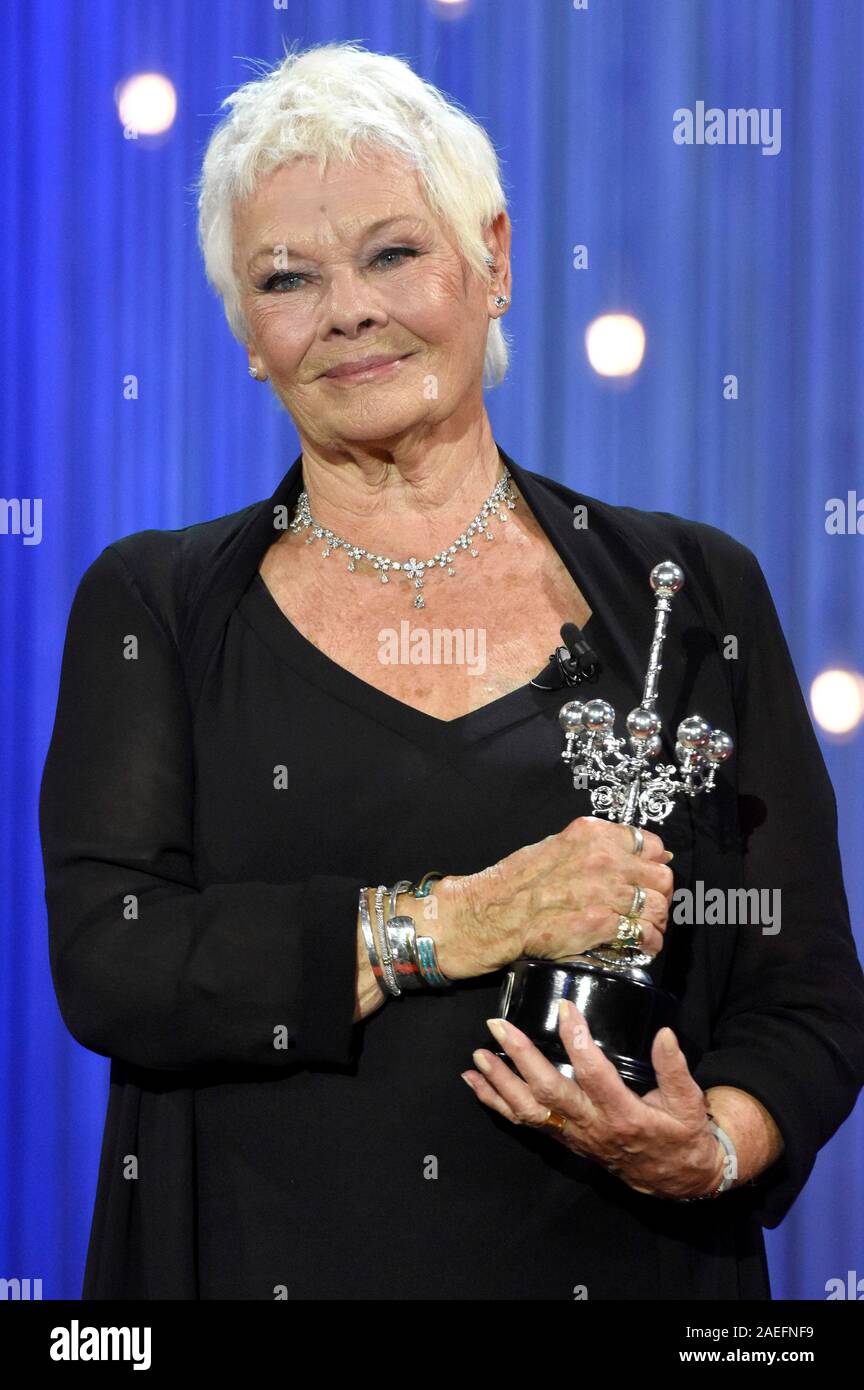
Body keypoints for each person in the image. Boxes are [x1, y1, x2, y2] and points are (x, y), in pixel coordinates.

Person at [40, 40, 864, 1300]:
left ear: (496, 264)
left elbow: (803, 995)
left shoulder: (691, 594)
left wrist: (708, 1149)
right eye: (287, 278)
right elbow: (117, 961)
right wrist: (468, 919)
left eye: (391, 253)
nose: (349, 310)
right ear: (247, 336)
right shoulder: (155, 602)